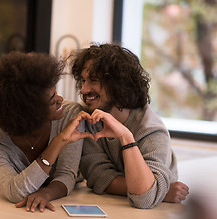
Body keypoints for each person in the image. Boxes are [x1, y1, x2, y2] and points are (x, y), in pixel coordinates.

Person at [70, 43, 190, 209]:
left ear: (118, 85)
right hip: (112, 209)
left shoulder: (152, 131)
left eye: (93, 81)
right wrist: (158, 191)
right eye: (83, 81)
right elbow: (98, 176)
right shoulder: (89, 120)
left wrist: (125, 137)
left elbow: (144, 198)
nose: (83, 89)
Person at [0, 51, 94, 213]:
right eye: (52, 99)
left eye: (56, 93)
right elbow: (15, 191)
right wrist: (58, 141)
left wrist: (46, 193)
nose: (60, 99)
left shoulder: (71, 116)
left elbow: (67, 175)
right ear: (30, 112)